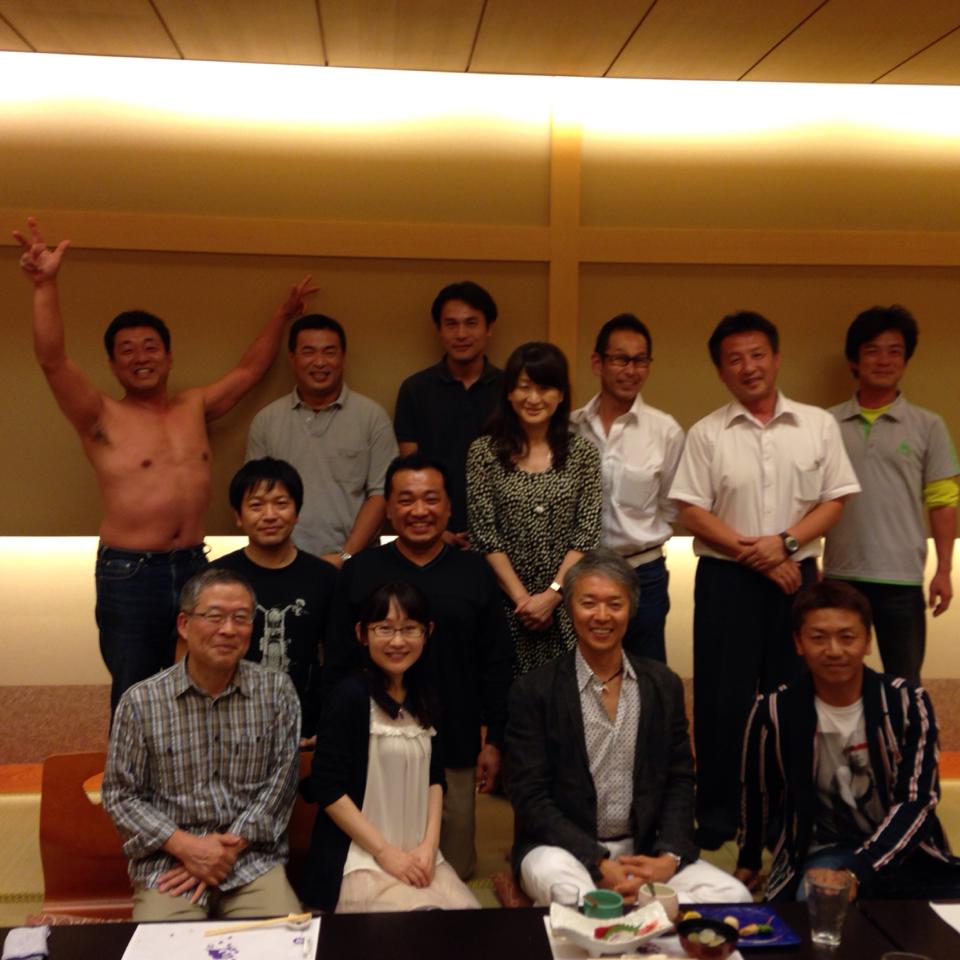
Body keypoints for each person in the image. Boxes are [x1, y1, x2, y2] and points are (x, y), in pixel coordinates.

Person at [15, 217, 316, 713]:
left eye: (150, 347)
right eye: (127, 351)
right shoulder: (99, 415)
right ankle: (130, 769)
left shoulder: (193, 406)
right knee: (135, 691)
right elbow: (53, 361)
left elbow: (249, 371)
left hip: (195, 564)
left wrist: (282, 316)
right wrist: (45, 285)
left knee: (203, 685)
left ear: (169, 356)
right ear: (113, 365)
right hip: (130, 571)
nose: (141, 357)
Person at [669, 311, 860, 849]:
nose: (748, 367)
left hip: (797, 579)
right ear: (720, 370)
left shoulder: (817, 425)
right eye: (735, 359)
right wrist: (758, 554)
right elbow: (691, 509)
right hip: (726, 578)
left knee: (792, 695)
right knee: (720, 700)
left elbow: (835, 500)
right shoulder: (707, 432)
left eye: (757, 355)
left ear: (776, 359)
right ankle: (717, 815)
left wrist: (786, 545)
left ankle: (786, 814)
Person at [507, 549, 751, 906]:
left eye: (614, 604)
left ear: (631, 609)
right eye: (589, 603)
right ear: (570, 608)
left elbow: (679, 780)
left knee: (734, 895)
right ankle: (638, 909)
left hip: (644, 849)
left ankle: (639, 908)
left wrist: (668, 858)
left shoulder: (662, 684)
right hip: (562, 851)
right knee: (571, 895)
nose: (601, 615)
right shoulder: (534, 690)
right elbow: (530, 796)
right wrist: (596, 861)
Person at [325, 453, 512, 879]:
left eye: (431, 499)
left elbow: (496, 660)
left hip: (457, 739)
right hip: (376, 741)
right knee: (379, 861)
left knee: (453, 867)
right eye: (406, 500)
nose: (419, 510)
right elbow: (337, 660)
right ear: (389, 509)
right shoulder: (360, 571)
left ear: (448, 507)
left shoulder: (474, 571)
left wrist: (495, 739)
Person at [736, 580, 960, 901]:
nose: (834, 651)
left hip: (907, 846)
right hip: (828, 848)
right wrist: (749, 859)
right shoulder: (773, 710)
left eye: (847, 637)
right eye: (818, 638)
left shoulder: (908, 702)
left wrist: (859, 870)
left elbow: (918, 800)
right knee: (820, 900)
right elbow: (758, 792)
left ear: (867, 641)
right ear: (798, 643)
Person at [102, 568, 302, 920]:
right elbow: (121, 795)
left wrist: (225, 850)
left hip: (250, 862)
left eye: (241, 618)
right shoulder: (141, 701)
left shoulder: (277, 692)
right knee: (165, 945)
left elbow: (281, 785)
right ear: (184, 624)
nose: (228, 630)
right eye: (214, 616)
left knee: (281, 941)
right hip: (170, 865)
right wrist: (187, 846)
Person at [303, 581, 480, 912]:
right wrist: (386, 853)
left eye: (409, 628)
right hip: (360, 859)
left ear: (427, 632)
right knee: (420, 925)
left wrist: (430, 846)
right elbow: (327, 788)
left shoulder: (425, 696)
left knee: (468, 923)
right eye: (384, 628)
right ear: (362, 633)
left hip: (419, 856)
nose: (398, 641)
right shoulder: (349, 697)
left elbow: (435, 779)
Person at [823, 305, 958, 684]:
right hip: (839, 575)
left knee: (905, 682)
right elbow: (807, 499)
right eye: (872, 351)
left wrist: (944, 570)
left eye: (894, 351)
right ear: (854, 360)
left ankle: (902, 728)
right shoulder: (825, 424)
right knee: (835, 676)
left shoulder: (929, 425)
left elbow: (943, 501)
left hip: (902, 578)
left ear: (906, 360)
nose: (884, 361)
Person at [466, 341, 603, 675]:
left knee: (566, 695)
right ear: (509, 393)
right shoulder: (484, 453)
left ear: (561, 395)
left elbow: (586, 535)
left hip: (567, 603)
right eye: (524, 387)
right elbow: (484, 536)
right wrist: (523, 601)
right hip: (504, 604)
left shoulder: (583, 454)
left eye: (544, 388)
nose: (533, 398)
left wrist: (552, 596)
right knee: (506, 696)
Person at [572, 313, 684, 662]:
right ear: (598, 363)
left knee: (646, 672)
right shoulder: (571, 427)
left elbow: (671, 506)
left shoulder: (665, 431)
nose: (631, 370)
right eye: (621, 359)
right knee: (580, 672)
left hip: (643, 573)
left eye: (640, 361)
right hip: (581, 571)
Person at [246, 313, 398, 568]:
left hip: (356, 564)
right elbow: (255, 497)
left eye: (329, 352)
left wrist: (345, 557)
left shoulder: (372, 418)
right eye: (308, 352)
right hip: (281, 564)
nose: (319, 362)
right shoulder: (266, 421)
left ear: (343, 357)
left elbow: (381, 494)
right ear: (292, 357)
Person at [212, 458, 337, 744]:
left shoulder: (325, 577)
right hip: (228, 725)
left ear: (297, 512)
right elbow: (196, 656)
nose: (269, 515)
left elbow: (337, 659)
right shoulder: (216, 578)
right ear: (238, 516)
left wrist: (329, 724)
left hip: (305, 726)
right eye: (256, 505)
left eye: (281, 504)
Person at [395, 281, 503, 547]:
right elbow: (410, 468)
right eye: (451, 324)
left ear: (489, 328)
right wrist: (437, 527)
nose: (461, 334)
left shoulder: (510, 389)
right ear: (439, 330)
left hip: (501, 534)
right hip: (431, 531)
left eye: (471, 323)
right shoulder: (415, 389)